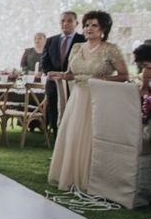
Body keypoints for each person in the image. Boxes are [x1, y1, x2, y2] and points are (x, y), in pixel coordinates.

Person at [47, 10, 128, 191]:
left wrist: (101, 81)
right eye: (86, 25)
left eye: (94, 25)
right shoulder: (77, 47)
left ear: (103, 29)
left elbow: (124, 75)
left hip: (99, 98)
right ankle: (70, 175)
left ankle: (92, 179)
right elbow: (72, 74)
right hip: (78, 97)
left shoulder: (110, 49)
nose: (89, 28)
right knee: (74, 134)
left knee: (92, 136)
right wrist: (61, 75)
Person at [41, 11, 85, 134]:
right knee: (54, 112)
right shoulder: (50, 40)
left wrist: (67, 75)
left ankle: (72, 139)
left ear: (76, 23)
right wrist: (50, 72)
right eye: (62, 21)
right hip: (53, 84)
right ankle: (56, 140)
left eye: (69, 20)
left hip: (74, 83)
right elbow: (44, 61)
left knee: (73, 113)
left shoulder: (83, 40)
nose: (65, 23)